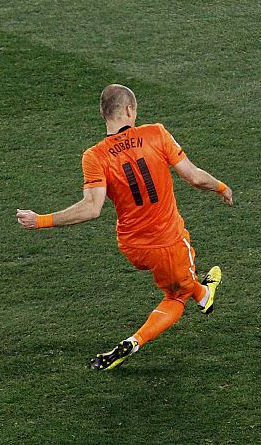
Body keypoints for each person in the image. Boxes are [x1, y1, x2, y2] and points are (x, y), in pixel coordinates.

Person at [16, 84, 234, 370]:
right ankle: (135, 340)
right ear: (130, 110)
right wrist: (221, 187)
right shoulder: (155, 133)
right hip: (166, 243)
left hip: (132, 248)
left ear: (103, 113)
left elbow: (92, 208)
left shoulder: (94, 156)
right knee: (175, 295)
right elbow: (194, 177)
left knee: (184, 270)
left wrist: (40, 220)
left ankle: (204, 294)